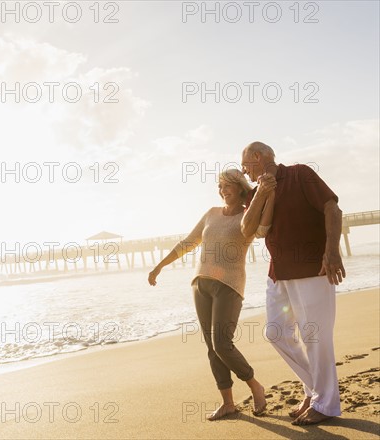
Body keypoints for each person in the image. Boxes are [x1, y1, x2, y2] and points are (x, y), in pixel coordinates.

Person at [148, 169, 272, 421]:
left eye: (227, 186)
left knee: (222, 344)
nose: (222, 190)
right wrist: (160, 265)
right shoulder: (211, 213)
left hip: (229, 285)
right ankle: (228, 403)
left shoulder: (248, 216)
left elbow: (260, 230)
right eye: (220, 186)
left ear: (239, 188)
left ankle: (254, 385)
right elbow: (188, 242)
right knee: (211, 348)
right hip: (200, 285)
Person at [240, 141, 345, 426]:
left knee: (315, 338)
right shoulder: (254, 193)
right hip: (278, 274)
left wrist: (332, 252)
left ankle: (325, 403)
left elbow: (332, 210)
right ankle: (315, 390)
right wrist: (262, 191)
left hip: (314, 268)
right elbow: (250, 230)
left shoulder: (300, 174)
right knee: (275, 333)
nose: (244, 171)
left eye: (245, 164)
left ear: (258, 157)